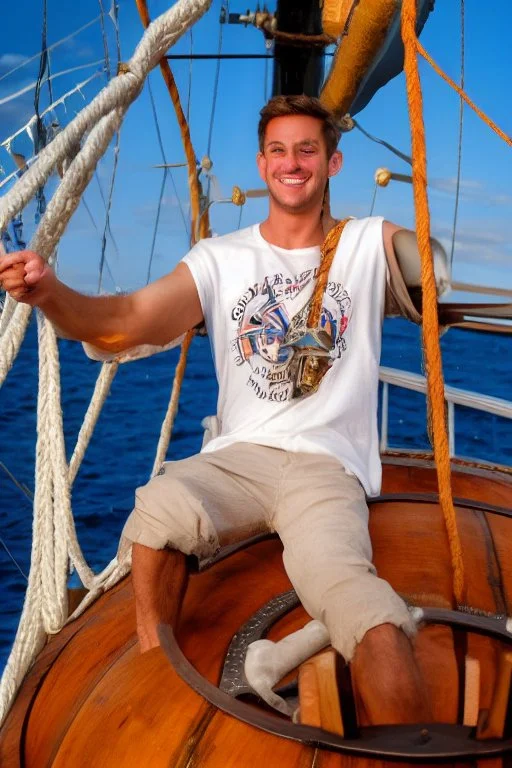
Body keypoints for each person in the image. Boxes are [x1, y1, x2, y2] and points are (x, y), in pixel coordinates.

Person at [0, 95, 447, 726]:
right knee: (159, 509)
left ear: (333, 162)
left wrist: (425, 262)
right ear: (262, 164)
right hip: (240, 461)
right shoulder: (220, 259)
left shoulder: (367, 243)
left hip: (326, 469)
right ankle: (160, 678)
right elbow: (123, 322)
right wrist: (49, 293)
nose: (292, 163)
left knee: (365, 611)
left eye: (307, 150)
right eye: (279, 150)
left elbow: (430, 268)